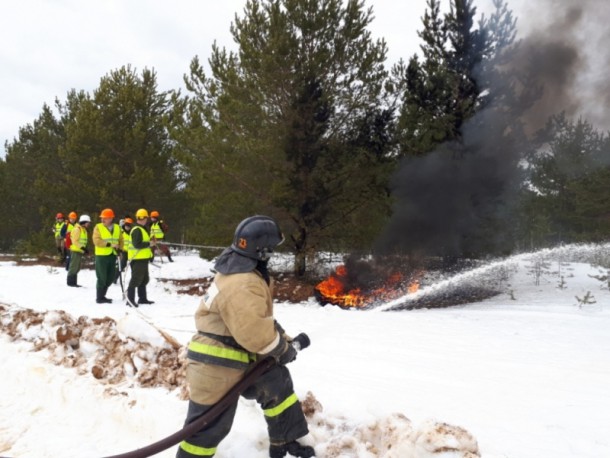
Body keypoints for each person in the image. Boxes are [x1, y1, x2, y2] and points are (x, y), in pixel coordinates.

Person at [177, 216, 315, 458]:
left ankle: (287, 440)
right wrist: (283, 350)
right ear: (260, 250)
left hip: (236, 357)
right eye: (270, 249)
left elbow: (256, 320)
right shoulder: (242, 283)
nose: (272, 254)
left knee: (275, 380)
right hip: (215, 365)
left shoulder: (242, 273)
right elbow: (255, 335)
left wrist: (283, 339)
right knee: (205, 432)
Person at [92, 208, 123, 303]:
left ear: (111, 218)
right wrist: (109, 244)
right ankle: (100, 298)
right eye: (102, 218)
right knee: (102, 277)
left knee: (110, 277)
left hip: (113, 255)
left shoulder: (117, 227)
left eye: (105, 218)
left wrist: (120, 251)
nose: (102, 219)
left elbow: (121, 240)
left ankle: (103, 296)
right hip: (102, 256)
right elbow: (96, 241)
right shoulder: (98, 227)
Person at [127, 209, 156, 306]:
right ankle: (130, 300)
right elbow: (137, 244)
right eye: (146, 218)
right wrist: (149, 243)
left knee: (144, 279)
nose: (147, 220)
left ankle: (142, 298)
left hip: (143, 258)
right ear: (143, 218)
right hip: (137, 259)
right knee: (135, 279)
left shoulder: (142, 229)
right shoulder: (137, 230)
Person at [67, 214, 91, 287]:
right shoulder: (77, 229)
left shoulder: (83, 230)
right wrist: (83, 248)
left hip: (79, 251)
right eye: (88, 223)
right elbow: (75, 241)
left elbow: (83, 241)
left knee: (77, 267)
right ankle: (70, 283)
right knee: (74, 266)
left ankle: (74, 282)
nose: (89, 224)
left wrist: (85, 249)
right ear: (84, 222)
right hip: (75, 250)